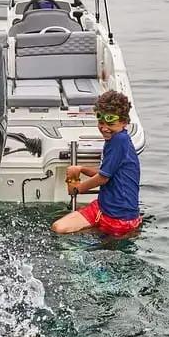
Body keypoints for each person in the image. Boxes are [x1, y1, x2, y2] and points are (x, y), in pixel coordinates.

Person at [52, 90, 142, 236]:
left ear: (124, 122)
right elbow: (106, 172)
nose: (104, 128)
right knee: (59, 227)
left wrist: (78, 189)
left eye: (110, 123)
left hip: (120, 218)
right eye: (101, 122)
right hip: (103, 207)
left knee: (62, 229)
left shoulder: (119, 141)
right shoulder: (116, 139)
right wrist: (81, 169)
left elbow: (103, 178)